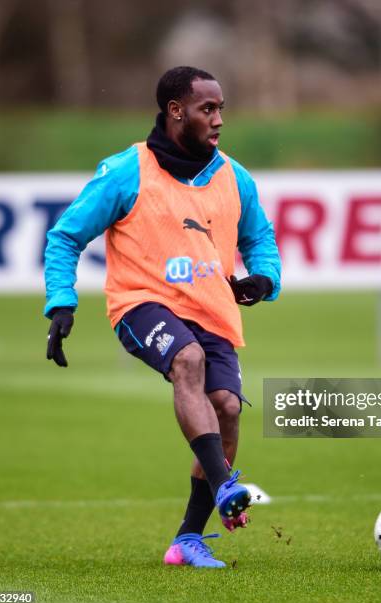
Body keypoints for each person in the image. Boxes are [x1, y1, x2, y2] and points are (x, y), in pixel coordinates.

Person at [44, 66, 281, 569]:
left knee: (229, 408)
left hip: (212, 312)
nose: (218, 119)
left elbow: (259, 238)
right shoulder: (127, 171)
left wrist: (263, 277)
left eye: (221, 109)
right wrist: (61, 302)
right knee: (188, 360)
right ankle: (225, 485)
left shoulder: (234, 176)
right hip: (141, 302)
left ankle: (187, 541)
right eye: (207, 109)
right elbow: (66, 236)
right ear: (176, 111)